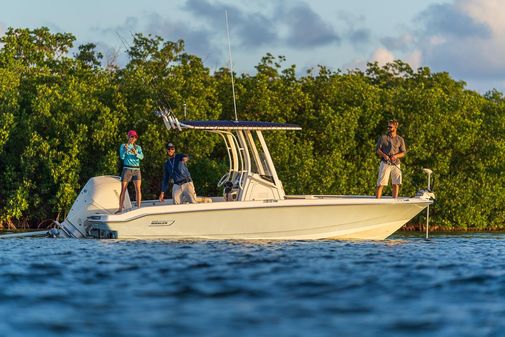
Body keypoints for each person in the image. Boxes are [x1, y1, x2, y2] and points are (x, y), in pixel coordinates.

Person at [375, 119, 406, 199]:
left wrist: (396, 156)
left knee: (396, 183)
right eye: (387, 126)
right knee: (381, 184)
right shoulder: (383, 138)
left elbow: (403, 152)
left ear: (395, 127)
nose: (388, 128)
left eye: (390, 127)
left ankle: (395, 200)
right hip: (385, 163)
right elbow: (377, 150)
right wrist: (384, 155)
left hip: (396, 164)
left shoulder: (400, 139)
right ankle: (377, 201)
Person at [117, 130, 144, 213]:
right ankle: (120, 209)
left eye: (135, 137)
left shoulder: (138, 147)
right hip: (127, 169)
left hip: (137, 169)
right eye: (132, 136)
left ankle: (139, 208)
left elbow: (141, 157)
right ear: (128, 137)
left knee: (138, 189)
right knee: (123, 189)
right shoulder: (123, 146)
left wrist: (136, 153)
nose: (133, 138)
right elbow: (122, 157)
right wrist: (125, 150)